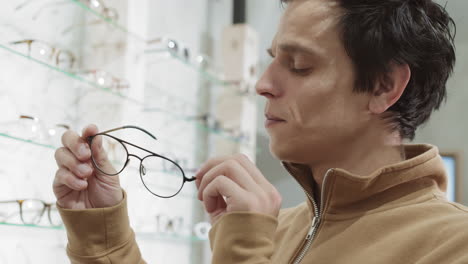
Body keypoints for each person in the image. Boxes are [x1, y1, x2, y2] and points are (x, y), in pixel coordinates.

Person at [53, 0, 468, 263]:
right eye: (272, 60)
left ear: (383, 85)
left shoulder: (451, 246)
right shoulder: (275, 229)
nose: (262, 84)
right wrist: (102, 235)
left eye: (299, 65)